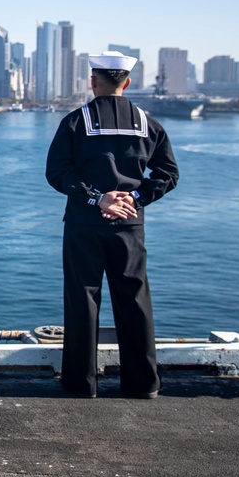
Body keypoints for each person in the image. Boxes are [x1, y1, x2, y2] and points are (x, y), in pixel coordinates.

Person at [45, 51, 179, 399]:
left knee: (82, 299)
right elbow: (168, 174)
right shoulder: (149, 123)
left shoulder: (75, 121)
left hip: (83, 224)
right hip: (130, 226)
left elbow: (57, 173)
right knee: (134, 300)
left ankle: (80, 383)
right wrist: (133, 200)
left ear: (93, 81)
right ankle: (144, 384)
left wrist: (97, 198)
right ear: (128, 82)